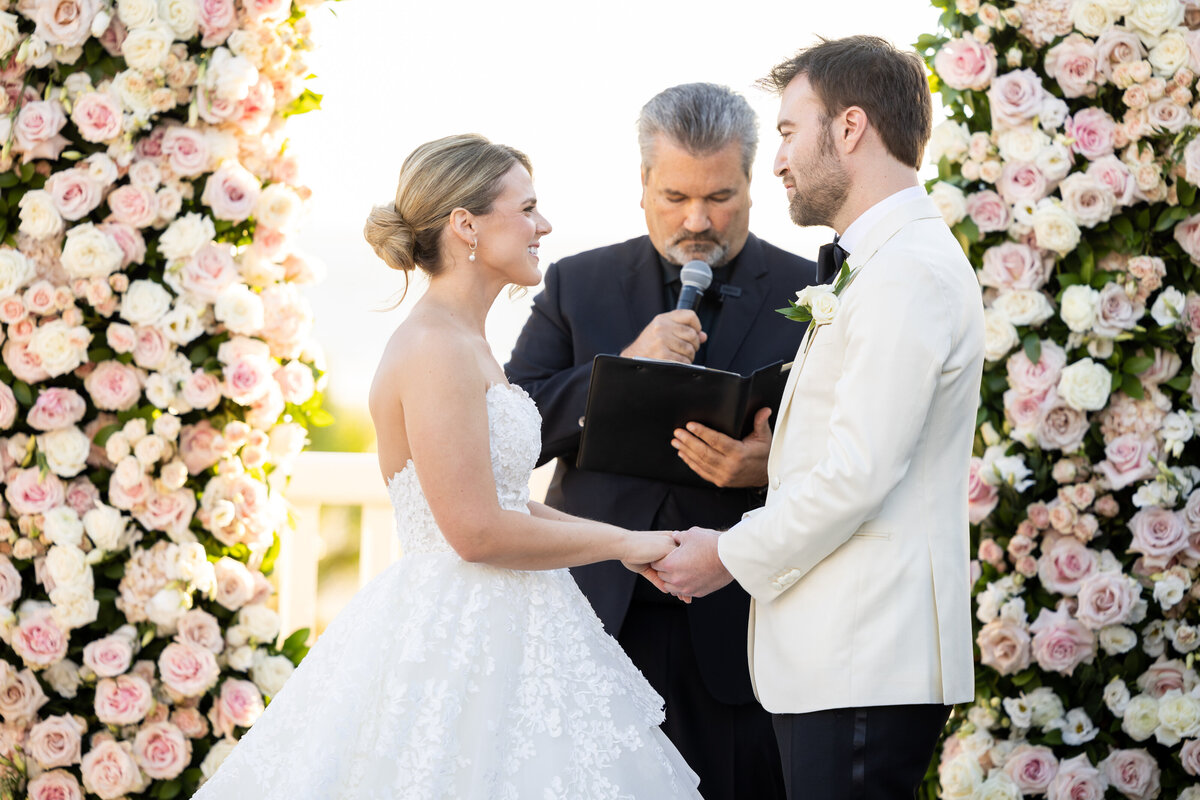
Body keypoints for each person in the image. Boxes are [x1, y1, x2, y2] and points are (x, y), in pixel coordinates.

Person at [192, 134, 703, 799]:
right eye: (526, 207)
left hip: (515, 620)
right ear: (466, 224)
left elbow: (503, 501)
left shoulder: (467, 342)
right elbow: (475, 531)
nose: (542, 225)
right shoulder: (434, 348)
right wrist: (621, 541)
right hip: (460, 636)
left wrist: (618, 546)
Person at [650, 36, 986, 800]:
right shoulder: (881, 263)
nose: (777, 162)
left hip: (865, 654)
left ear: (851, 128)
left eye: (789, 132)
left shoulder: (908, 271)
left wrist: (726, 555)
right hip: (839, 658)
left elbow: (856, 472)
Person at [505, 83, 813, 800]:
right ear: (642, 183)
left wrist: (776, 463)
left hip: (740, 626)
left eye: (721, 197)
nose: (698, 219)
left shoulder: (810, 290)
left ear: (752, 181)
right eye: (675, 196)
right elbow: (512, 428)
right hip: (595, 611)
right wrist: (623, 368)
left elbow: (858, 449)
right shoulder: (576, 284)